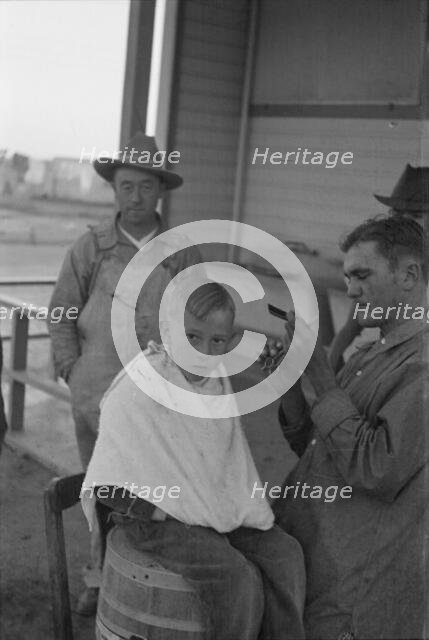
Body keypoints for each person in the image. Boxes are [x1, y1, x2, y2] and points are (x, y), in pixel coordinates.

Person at [81, 283, 306, 640]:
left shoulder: (215, 384)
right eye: (192, 337)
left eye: (217, 341)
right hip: (151, 518)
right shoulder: (143, 384)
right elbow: (109, 480)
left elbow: (223, 468)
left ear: (229, 342)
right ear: (169, 330)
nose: (203, 352)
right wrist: (165, 511)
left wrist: (213, 509)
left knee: (285, 555)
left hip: (205, 511)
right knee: (236, 576)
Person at [48, 132, 201, 614]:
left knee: (151, 493)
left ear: (161, 192)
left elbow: (200, 319)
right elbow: (61, 314)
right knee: (100, 490)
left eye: (146, 188)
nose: (135, 197)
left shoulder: (180, 253)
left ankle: (139, 583)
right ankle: (96, 579)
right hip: (94, 395)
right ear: (115, 189)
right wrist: (71, 369)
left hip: (158, 400)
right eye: (126, 186)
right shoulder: (91, 248)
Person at [271, 216, 428, 639]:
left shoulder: (421, 366)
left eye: (362, 275)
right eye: (346, 276)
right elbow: (317, 445)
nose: (351, 288)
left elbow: (377, 468)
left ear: (409, 275)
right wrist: (290, 378)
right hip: (314, 561)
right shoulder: (370, 351)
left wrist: (322, 376)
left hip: (354, 589)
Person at [329, 164, 429, 372]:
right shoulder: (381, 263)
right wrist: (325, 373)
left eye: (415, 215)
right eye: (396, 213)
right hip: (367, 373)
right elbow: (349, 330)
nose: (402, 222)